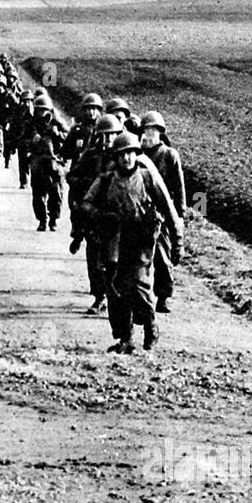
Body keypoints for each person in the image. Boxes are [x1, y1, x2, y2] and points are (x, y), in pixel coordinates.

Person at [79, 131, 184, 354]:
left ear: (137, 154)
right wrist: (102, 215)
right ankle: (125, 337)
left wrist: (178, 242)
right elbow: (86, 204)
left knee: (139, 284)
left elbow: (168, 208)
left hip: (141, 238)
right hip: (113, 239)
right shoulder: (106, 180)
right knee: (115, 289)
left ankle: (150, 325)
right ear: (115, 157)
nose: (126, 158)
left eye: (130, 153)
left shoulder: (147, 177)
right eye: (121, 154)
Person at [67, 113, 120, 315]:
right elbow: (72, 175)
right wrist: (86, 185)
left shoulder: (122, 158)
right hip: (93, 216)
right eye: (104, 136)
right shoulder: (91, 155)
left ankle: (113, 296)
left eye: (112, 136)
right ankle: (99, 297)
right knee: (94, 260)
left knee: (113, 260)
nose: (108, 140)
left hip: (114, 217)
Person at [139, 110, 187, 313]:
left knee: (163, 259)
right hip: (141, 214)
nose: (149, 134)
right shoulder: (138, 154)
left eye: (153, 130)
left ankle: (163, 296)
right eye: (146, 130)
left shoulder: (169, 155)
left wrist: (179, 214)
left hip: (163, 214)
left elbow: (179, 187)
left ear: (160, 132)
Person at [25, 95, 69, 231]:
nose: (42, 113)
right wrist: (31, 140)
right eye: (39, 110)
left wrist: (57, 134)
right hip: (38, 161)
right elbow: (22, 140)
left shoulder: (57, 122)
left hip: (55, 162)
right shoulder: (31, 123)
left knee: (56, 193)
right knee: (38, 194)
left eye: (44, 110)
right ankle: (42, 220)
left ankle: (54, 220)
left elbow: (68, 139)